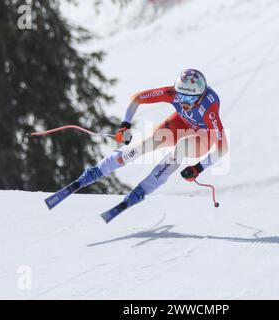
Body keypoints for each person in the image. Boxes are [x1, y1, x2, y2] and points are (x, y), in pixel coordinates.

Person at [48, 69, 228, 219]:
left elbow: (222, 148)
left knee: (181, 148)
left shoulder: (208, 107)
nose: (183, 102)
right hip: (181, 123)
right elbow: (137, 98)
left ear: (200, 96)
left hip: (203, 135)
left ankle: (143, 190)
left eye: (189, 99)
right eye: (181, 97)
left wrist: (199, 167)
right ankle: (96, 171)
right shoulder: (173, 94)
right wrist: (125, 124)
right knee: (147, 144)